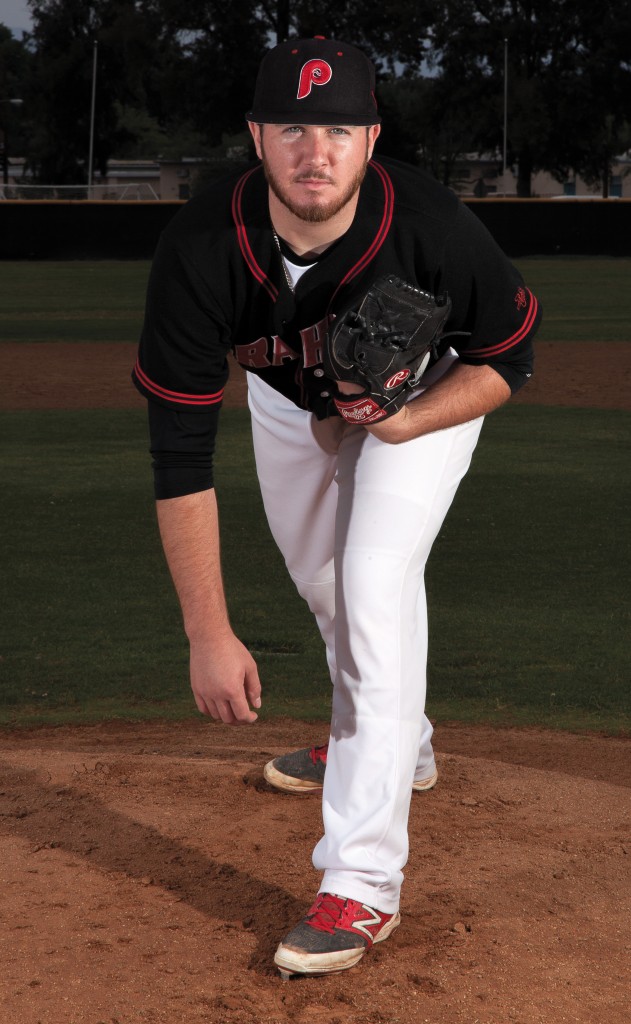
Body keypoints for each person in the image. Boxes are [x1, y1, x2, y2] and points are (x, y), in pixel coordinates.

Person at [132, 36, 541, 978]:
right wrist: (207, 632)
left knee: (368, 589)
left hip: (425, 397)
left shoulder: (429, 224)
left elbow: (508, 360)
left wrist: (407, 424)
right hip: (287, 405)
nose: (314, 151)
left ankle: (361, 881)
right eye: (292, 129)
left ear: (369, 140)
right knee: (323, 584)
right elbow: (179, 454)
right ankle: (406, 743)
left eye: (337, 129)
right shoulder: (201, 250)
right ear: (257, 139)